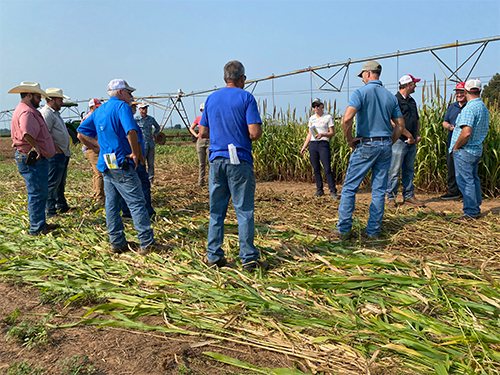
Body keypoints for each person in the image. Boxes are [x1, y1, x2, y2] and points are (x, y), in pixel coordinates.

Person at [77, 79, 166, 255]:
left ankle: (117, 242)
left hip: (107, 163)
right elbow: (131, 131)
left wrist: (98, 146)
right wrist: (134, 153)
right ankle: (147, 242)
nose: (131, 96)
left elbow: (81, 132)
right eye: (129, 92)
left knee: (111, 204)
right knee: (137, 202)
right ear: (119, 93)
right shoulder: (121, 107)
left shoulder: (100, 109)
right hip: (121, 162)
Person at [198, 60, 267, 271]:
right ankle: (248, 259)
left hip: (216, 160)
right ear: (242, 79)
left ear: (224, 78)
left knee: (216, 211)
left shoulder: (211, 99)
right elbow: (255, 133)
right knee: (244, 211)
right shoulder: (246, 97)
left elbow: (202, 132)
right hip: (239, 160)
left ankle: (213, 256)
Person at [334, 61, 404, 239]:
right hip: (385, 146)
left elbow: (347, 119)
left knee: (350, 188)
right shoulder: (390, 97)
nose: (362, 79)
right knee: (379, 190)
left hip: (366, 144)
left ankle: (343, 230)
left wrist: (349, 139)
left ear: (367, 74)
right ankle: (373, 231)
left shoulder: (360, 93)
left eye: (362, 76)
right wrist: (390, 142)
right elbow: (400, 126)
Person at [8, 81, 57, 235]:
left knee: (39, 192)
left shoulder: (24, 109)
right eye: (38, 96)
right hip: (33, 158)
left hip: (31, 157)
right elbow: (27, 132)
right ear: (29, 95)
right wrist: (36, 148)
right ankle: (37, 228)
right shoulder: (27, 112)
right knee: (37, 192)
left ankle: (40, 223)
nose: (40, 99)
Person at [449, 79, 490, 220]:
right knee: (473, 180)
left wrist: (456, 147)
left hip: (465, 150)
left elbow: (466, 132)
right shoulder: (483, 107)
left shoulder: (469, 108)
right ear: (480, 91)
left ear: (465, 91)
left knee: (466, 182)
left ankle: (470, 212)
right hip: (475, 150)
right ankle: (475, 208)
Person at [386, 75, 424, 207]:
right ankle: (391, 197)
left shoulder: (412, 101)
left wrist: (416, 134)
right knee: (395, 170)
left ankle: (408, 196)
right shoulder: (395, 100)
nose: (415, 86)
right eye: (414, 84)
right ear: (408, 85)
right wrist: (408, 135)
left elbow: (417, 119)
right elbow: (394, 122)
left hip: (411, 141)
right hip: (399, 141)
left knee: (409, 169)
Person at [40, 88, 72, 218]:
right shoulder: (46, 113)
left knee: (60, 182)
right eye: (60, 99)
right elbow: (45, 134)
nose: (62, 102)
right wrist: (55, 149)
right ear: (51, 100)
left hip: (62, 153)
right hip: (55, 154)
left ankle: (62, 205)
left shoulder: (55, 113)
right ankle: (51, 211)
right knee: (53, 182)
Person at [300, 98, 339, 199]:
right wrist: (304, 147)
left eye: (317, 105)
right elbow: (309, 134)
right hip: (313, 144)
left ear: (322, 105)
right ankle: (319, 189)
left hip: (323, 144)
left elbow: (332, 132)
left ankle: (333, 191)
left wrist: (323, 134)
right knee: (316, 168)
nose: (316, 108)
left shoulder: (328, 117)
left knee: (327, 168)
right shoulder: (312, 118)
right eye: (314, 106)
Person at [441, 82, 466, 200]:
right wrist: (449, 126)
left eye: (461, 92)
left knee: (464, 169)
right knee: (451, 168)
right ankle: (453, 191)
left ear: (466, 92)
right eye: (457, 92)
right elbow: (444, 122)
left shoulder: (469, 107)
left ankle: (465, 193)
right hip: (452, 142)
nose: (459, 95)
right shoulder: (452, 106)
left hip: (465, 144)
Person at [81, 99, 105, 204]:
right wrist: (94, 146)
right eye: (97, 107)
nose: (100, 109)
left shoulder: (96, 117)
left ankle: (99, 194)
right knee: (99, 173)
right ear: (92, 108)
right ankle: (99, 198)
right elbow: (80, 135)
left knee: (100, 173)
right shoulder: (88, 118)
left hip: (98, 148)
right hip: (92, 149)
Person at [136, 103, 160, 184]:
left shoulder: (151, 119)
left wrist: (154, 135)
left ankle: (151, 180)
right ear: (139, 109)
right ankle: (142, 180)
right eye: (143, 108)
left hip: (150, 144)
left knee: (151, 163)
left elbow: (158, 127)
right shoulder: (136, 119)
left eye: (146, 108)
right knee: (142, 163)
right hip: (141, 145)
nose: (145, 109)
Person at [189, 103, 210, 186]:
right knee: (201, 163)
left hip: (209, 142)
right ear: (201, 110)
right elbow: (191, 128)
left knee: (210, 162)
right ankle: (201, 181)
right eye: (203, 110)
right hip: (200, 142)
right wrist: (196, 135)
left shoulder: (211, 118)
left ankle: (211, 180)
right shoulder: (198, 119)